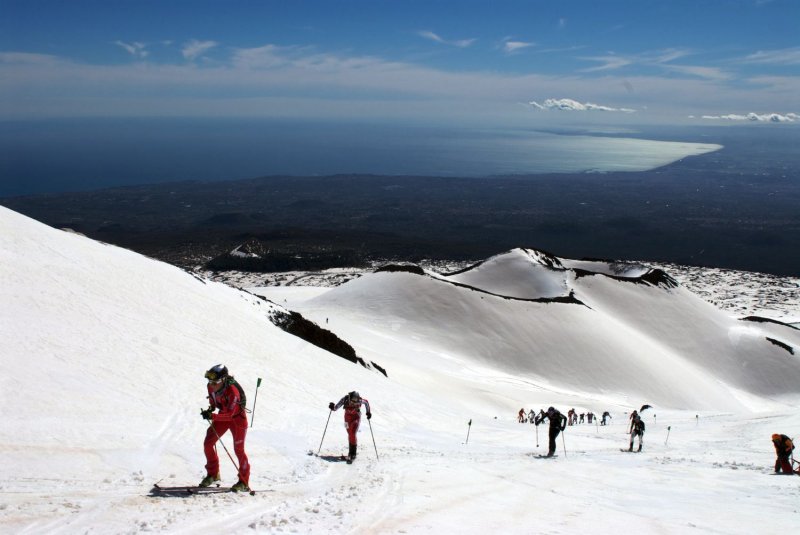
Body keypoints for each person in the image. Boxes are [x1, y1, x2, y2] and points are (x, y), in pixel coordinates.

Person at [199, 364, 250, 491]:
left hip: (237, 419)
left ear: (223, 380)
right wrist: (210, 409)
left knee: (239, 450)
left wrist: (213, 416)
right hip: (222, 416)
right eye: (210, 381)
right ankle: (213, 474)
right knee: (208, 444)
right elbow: (213, 400)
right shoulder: (210, 387)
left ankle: (243, 482)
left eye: (215, 382)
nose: (211, 384)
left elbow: (230, 415)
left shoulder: (233, 391)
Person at [329, 391, 371, 462]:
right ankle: (350, 452)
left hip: (356, 418)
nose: (354, 403)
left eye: (356, 401)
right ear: (350, 398)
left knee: (353, 433)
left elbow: (366, 402)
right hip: (347, 419)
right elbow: (336, 407)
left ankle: (353, 453)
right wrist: (332, 407)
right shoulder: (344, 399)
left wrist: (368, 412)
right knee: (350, 434)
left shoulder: (360, 401)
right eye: (352, 401)